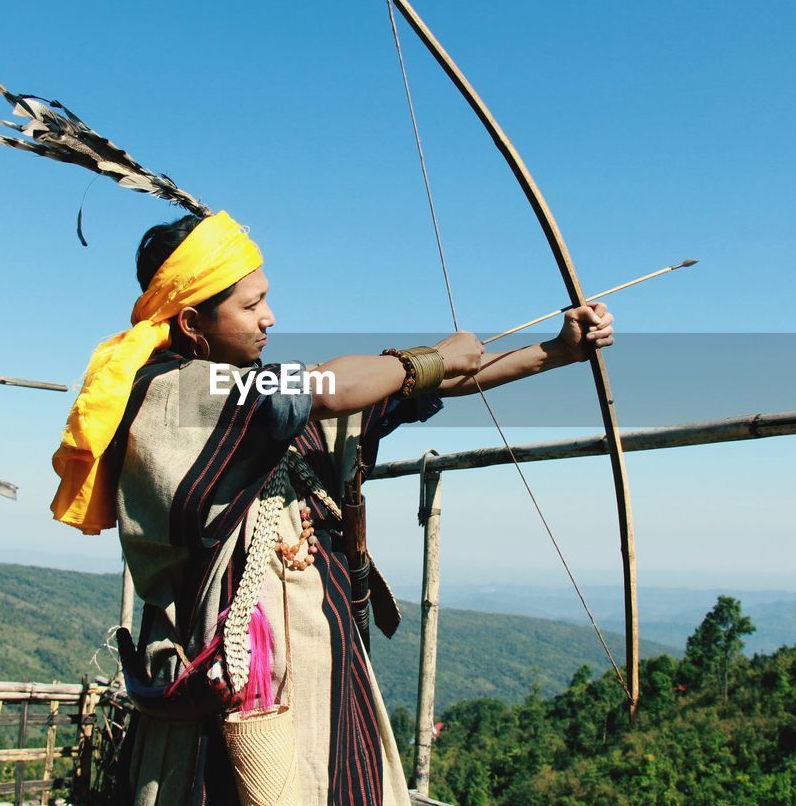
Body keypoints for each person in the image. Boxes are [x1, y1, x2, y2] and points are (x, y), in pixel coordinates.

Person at [50, 210, 615, 805]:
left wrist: (557, 351)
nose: (268, 317)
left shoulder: (259, 400)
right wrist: (433, 356)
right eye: (250, 306)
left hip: (324, 667)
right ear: (192, 322)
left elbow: (410, 387)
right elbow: (328, 388)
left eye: (265, 300)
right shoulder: (173, 392)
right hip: (227, 684)